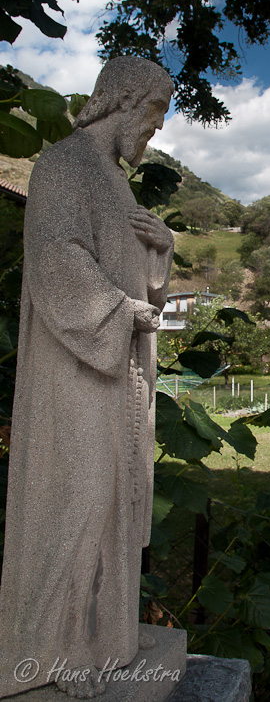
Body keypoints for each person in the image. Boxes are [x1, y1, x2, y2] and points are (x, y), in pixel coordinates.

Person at [0, 57, 175, 699]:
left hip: (118, 372)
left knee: (115, 502)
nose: (156, 129)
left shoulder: (114, 180)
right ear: (125, 101)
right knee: (80, 494)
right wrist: (118, 312)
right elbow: (53, 256)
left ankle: (106, 640)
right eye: (155, 113)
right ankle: (59, 650)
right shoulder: (63, 165)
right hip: (75, 368)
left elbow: (138, 279)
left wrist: (161, 251)